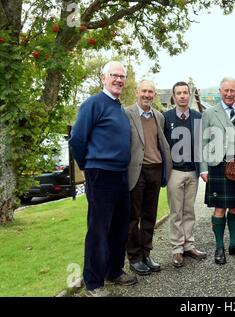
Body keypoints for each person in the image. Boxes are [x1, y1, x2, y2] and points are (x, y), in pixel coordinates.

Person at [69, 61, 137, 297]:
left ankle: (114, 271)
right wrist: (87, 166)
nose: (119, 79)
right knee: (98, 228)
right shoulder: (93, 104)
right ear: (103, 77)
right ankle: (94, 282)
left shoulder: (118, 107)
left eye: (122, 76)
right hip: (101, 174)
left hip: (120, 174)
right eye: (114, 75)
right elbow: (76, 138)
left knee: (120, 226)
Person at [200, 77, 235, 265]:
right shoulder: (209, 113)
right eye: (226, 91)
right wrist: (203, 169)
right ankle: (219, 247)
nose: (229, 94)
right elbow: (202, 142)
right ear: (220, 91)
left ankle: (233, 244)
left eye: (233, 91)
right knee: (220, 207)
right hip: (218, 166)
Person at [125, 79, 172, 276]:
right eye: (144, 91)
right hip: (136, 170)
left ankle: (146, 254)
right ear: (137, 92)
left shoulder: (159, 116)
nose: (147, 95)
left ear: (154, 95)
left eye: (150, 92)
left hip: (155, 170)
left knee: (149, 216)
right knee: (132, 217)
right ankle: (134, 258)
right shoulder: (126, 114)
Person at [163, 81, 206, 268]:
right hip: (175, 172)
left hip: (192, 172)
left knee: (189, 211)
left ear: (189, 95)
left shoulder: (198, 117)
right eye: (178, 93)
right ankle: (177, 249)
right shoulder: (166, 117)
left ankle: (189, 245)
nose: (182, 96)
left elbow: (203, 145)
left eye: (185, 92)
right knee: (176, 212)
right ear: (174, 96)